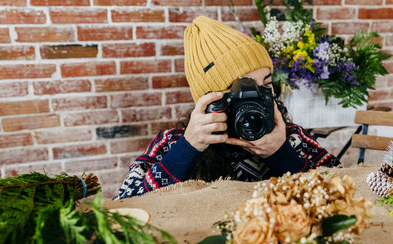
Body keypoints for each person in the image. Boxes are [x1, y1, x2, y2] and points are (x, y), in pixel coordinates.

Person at [114, 16, 340, 200]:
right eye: (242, 90)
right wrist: (188, 148)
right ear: (210, 100)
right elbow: (123, 208)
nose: (257, 98)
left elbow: (344, 194)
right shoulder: (172, 143)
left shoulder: (291, 138)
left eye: (267, 85)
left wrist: (281, 155)